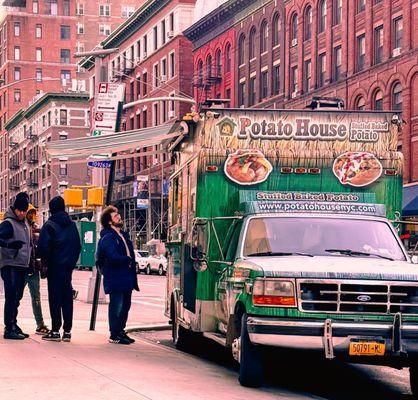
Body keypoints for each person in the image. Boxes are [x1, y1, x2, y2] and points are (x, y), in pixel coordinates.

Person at [37, 196, 81, 342]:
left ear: (51, 209)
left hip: (54, 268)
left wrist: (46, 262)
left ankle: (55, 331)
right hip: (67, 268)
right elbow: (77, 247)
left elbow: (43, 247)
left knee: (55, 298)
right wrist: (71, 263)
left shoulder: (49, 225)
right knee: (67, 298)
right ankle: (67, 332)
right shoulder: (72, 225)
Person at [96, 206, 139, 345]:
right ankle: (114, 334)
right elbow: (112, 257)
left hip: (126, 277)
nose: (119, 217)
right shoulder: (108, 237)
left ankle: (120, 331)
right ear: (109, 222)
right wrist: (127, 259)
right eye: (115, 216)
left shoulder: (122, 235)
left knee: (126, 306)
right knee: (117, 306)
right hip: (116, 277)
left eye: (118, 215)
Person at [0, 192, 32, 340]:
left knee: (17, 297)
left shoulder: (25, 222)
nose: (22, 213)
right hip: (10, 264)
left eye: (24, 210)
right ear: (15, 209)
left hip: (21, 264)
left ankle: (13, 323)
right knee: (11, 296)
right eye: (20, 210)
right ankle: (9, 327)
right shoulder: (8, 223)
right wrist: (9, 244)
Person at [24, 204, 50, 335]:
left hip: (33, 269)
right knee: (15, 297)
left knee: (36, 298)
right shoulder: (20, 227)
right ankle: (11, 322)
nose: (31, 216)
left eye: (33, 213)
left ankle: (40, 324)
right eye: (30, 213)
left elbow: (39, 249)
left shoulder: (36, 228)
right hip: (22, 268)